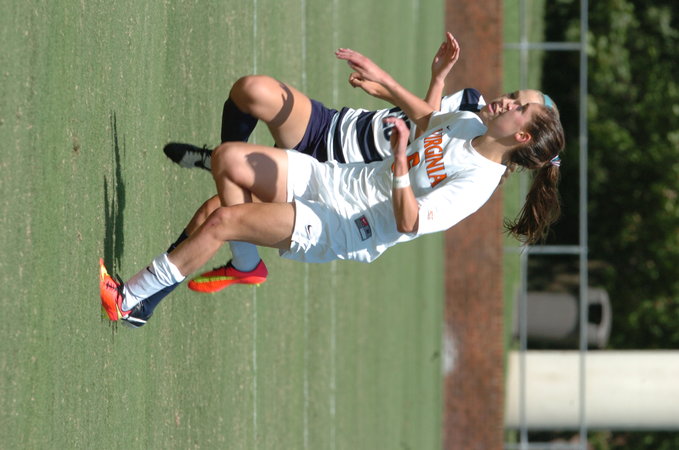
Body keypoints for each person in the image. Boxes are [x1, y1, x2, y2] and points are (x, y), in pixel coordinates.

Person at [99, 46, 565, 329]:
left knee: (220, 219)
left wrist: (399, 165)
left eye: (517, 108)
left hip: (346, 225)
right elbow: (427, 120)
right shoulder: (469, 121)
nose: (507, 100)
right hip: (334, 177)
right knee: (227, 159)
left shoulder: (477, 185)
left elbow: (409, 222)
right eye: (515, 97)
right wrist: (391, 79)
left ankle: (130, 299)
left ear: (522, 138)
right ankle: (244, 262)